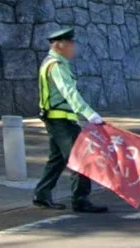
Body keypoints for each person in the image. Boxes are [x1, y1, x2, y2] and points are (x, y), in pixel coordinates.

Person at [34, 27, 108, 214]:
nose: (73, 47)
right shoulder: (56, 66)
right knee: (81, 159)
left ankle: (42, 194)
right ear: (60, 45)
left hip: (56, 119)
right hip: (62, 121)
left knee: (57, 159)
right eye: (70, 44)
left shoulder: (50, 63)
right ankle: (80, 200)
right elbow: (69, 92)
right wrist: (89, 114)